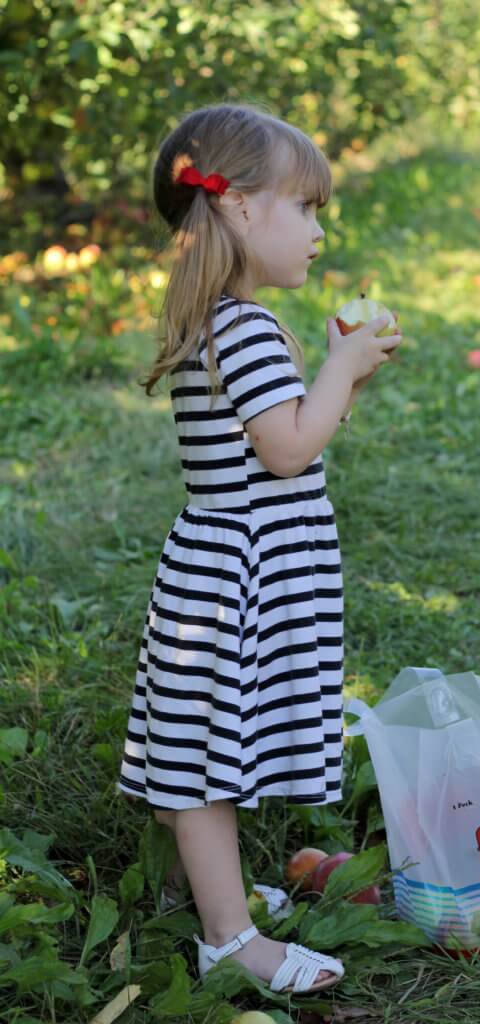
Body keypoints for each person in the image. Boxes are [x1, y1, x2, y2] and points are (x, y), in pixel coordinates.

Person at [116, 101, 402, 994]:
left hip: (237, 565)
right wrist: (340, 371)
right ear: (238, 206)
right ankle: (228, 940)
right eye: (305, 207)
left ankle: (204, 893)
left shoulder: (235, 321)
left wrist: (331, 382)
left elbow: (283, 439)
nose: (318, 229)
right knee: (205, 764)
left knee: (211, 748)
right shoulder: (241, 328)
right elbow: (284, 449)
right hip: (234, 580)